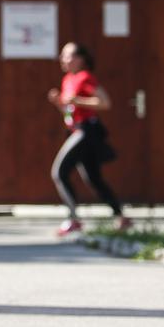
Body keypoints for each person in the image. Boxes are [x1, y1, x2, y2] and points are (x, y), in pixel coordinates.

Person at [48, 42, 129, 236]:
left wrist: (77, 100)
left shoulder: (85, 77)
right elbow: (69, 111)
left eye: (67, 56)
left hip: (86, 131)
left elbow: (104, 102)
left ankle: (73, 219)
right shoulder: (67, 80)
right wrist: (59, 103)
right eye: (62, 55)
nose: (63, 59)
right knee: (93, 178)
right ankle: (121, 216)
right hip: (76, 128)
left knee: (59, 172)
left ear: (79, 59)